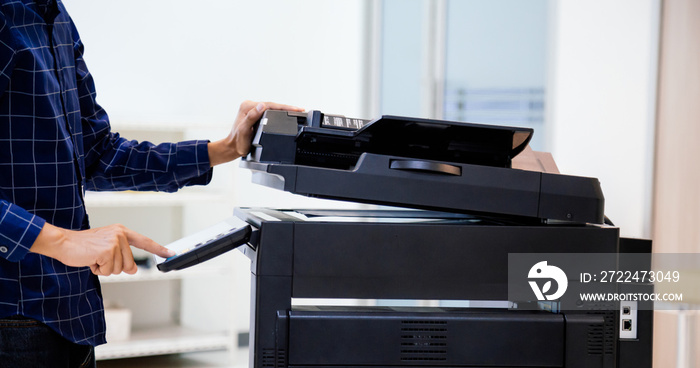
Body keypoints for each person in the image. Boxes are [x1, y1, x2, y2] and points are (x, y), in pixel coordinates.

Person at [0, 1, 302, 367]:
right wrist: (61, 240)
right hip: (13, 313)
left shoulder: (56, 16)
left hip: (71, 311)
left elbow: (98, 153)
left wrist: (222, 150)